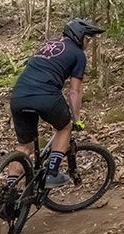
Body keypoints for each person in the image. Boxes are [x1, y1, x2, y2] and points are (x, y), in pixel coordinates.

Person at [8, 18, 104, 188]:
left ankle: (9, 190)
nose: (88, 43)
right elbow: (74, 91)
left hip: (18, 95)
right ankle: (52, 173)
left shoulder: (46, 46)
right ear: (79, 35)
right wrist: (77, 120)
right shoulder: (78, 54)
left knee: (24, 146)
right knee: (65, 127)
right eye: (87, 39)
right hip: (45, 95)